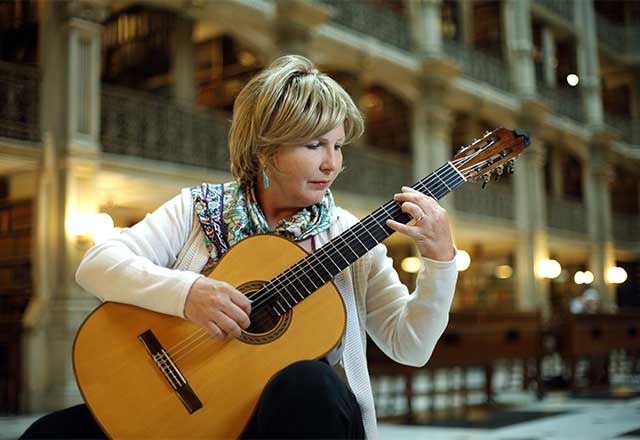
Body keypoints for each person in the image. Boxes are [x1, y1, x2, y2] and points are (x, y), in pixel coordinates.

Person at [21, 55, 458, 439]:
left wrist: (440, 262)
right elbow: (97, 265)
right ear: (265, 150)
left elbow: (411, 346)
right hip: (198, 409)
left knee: (309, 382)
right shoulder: (197, 209)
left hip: (299, 421)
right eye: (314, 145)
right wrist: (188, 294)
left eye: (338, 145)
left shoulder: (348, 236)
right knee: (48, 434)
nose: (332, 163)